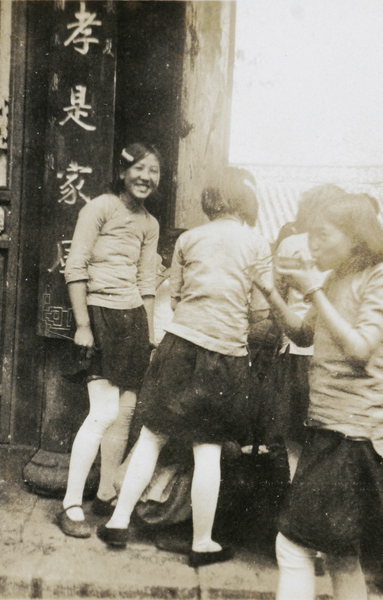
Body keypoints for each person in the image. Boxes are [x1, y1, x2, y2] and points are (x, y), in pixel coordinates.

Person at [96, 168, 272, 568]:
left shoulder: (189, 239)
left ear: (211, 200)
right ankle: (202, 543)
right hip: (223, 355)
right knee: (206, 449)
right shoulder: (256, 243)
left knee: (151, 437)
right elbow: (261, 311)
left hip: (177, 347)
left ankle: (118, 521)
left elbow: (174, 299)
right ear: (244, 201)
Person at [249, 191, 383, 600]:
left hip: (356, 437)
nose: (313, 245)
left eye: (323, 235)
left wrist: (314, 293)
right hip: (334, 430)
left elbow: (361, 349)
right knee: (341, 555)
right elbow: (304, 333)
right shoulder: (338, 277)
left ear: (355, 237)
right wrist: (272, 294)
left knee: (293, 545)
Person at [58, 143, 161, 538]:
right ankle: (70, 502)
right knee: (102, 412)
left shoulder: (149, 224)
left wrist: (147, 335)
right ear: (122, 172)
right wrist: (83, 325)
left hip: (133, 320)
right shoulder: (98, 207)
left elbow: (146, 282)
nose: (146, 177)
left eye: (154, 171)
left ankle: (105, 493)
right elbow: (76, 266)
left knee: (125, 412)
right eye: (139, 168)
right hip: (99, 315)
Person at [271, 185, 339, 477]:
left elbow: (276, 293)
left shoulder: (291, 243)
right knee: (323, 434)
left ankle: (294, 488)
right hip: (330, 351)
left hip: (295, 348)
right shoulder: (339, 246)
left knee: (292, 435)